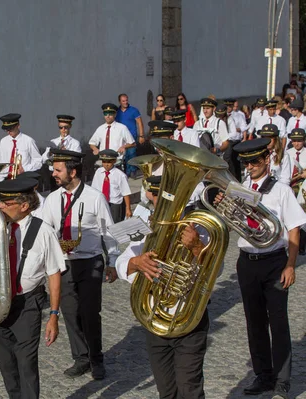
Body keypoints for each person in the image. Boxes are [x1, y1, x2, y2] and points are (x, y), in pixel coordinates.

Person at [0, 178, 65, 399]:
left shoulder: (44, 231)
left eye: (6, 203)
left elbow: (54, 274)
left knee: (26, 366)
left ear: (24, 205)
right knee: (7, 366)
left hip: (28, 304)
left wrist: (53, 315)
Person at [220, 138, 306, 399]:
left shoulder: (281, 190)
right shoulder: (240, 187)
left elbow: (293, 230)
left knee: (278, 323)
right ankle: (263, 375)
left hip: (274, 261)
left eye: (255, 161)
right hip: (247, 262)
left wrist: (291, 265)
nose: (250, 166)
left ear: (267, 160)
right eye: (246, 162)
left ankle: (282, 379)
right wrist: (225, 204)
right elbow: (234, 221)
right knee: (254, 322)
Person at [116, 175, 212, 399]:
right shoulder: (145, 225)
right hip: (154, 318)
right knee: (166, 390)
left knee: (190, 388)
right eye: (157, 195)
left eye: (169, 195)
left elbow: (214, 271)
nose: (162, 200)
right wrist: (135, 263)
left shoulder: (199, 227)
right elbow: (121, 261)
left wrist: (197, 247)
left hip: (189, 319)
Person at [42, 149, 119, 380]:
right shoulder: (53, 199)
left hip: (90, 261)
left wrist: (112, 261)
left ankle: (96, 359)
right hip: (64, 264)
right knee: (70, 312)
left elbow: (108, 231)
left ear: (72, 171)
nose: (54, 174)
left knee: (89, 312)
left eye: (58, 170)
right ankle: (81, 358)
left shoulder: (95, 197)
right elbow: (45, 231)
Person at [0, 113, 43, 182]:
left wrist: (25, 169)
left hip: (23, 179)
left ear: (18, 126)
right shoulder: (3, 142)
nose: (8, 132)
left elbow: (38, 161)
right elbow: (0, 163)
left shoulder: (28, 141)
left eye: (11, 129)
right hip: (6, 180)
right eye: (6, 129)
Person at [41, 114, 82, 191]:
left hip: (67, 175)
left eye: (66, 127)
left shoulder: (75, 143)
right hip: (54, 175)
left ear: (70, 127)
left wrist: (66, 152)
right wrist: (50, 154)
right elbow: (43, 160)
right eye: (60, 127)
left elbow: (77, 161)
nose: (63, 130)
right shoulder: (53, 142)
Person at [89, 103, 136, 169]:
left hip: (116, 161)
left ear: (115, 114)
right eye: (105, 114)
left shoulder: (122, 128)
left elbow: (133, 143)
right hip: (103, 161)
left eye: (110, 113)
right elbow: (92, 143)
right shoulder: (100, 128)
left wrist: (124, 146)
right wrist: (95, 149)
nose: (108, 116)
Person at [91, 149, 132, 223]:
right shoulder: (98, 172)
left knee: (114, 224)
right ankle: (104, 233)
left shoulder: (120, 175)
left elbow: (125, 193)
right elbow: (94, 188)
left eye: (109, 162)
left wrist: (128, 208)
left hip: (114, 205)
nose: (106, 164)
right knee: (102, 222)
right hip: (102, 203)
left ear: (114, 161)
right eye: (104, 162)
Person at [116, 94, 144, 178]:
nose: (125, 102)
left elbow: (139, 123)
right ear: (120, 102)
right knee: (123, 155)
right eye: (123, 101)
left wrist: (141, 135)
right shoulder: (117, 112)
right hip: (121, 137)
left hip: (132, 135)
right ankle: (125, 171)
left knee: (131, 153)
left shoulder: (134, 110)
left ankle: (132, 171)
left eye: (126, 100)